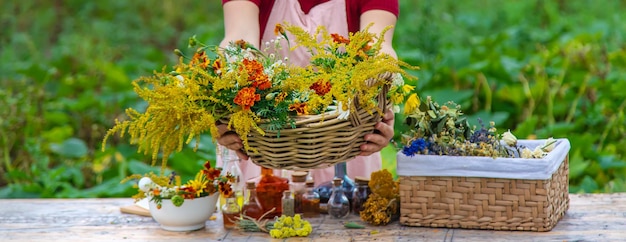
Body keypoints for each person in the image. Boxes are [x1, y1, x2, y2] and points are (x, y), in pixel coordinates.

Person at [217, 0, 398, 186]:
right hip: (262, 143)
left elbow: (377, 47)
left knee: (344, 212)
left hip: (345, 146)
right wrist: (226, 100)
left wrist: (381, 98)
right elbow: (239, 41)